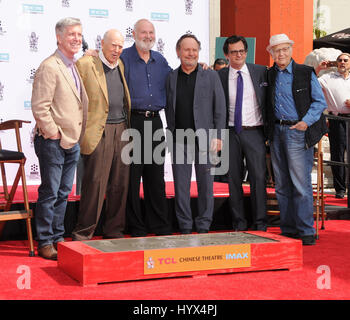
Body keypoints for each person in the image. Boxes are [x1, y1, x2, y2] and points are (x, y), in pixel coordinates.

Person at [31, 17, 88, 259]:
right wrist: (53, 132)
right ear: (59, 37)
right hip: (53, 141)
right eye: (71, 34)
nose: (77, 38)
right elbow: (40, 106)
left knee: (64, 193)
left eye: (79, 34)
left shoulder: (72, 65)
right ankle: (45, 241)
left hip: (71, 141)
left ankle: (57, 237)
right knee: (50, 192)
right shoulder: (50, 66)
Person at [265, 34, 327, 245]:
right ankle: (289, 228)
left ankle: (306, 230)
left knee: (300, 184)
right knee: (281, 184)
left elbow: (319, 103)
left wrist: (305, 123)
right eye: (276, 50)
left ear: (291, 50)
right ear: (271, 54)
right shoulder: (269, 74)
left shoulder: (304, 72)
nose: (281, 54)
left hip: (297, 131)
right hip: (276, 132)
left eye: (284, 49)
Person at [71, 29, 131, 241]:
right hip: (99, 131)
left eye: (120, 46)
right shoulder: (86, 64)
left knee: (119, 184)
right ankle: (83, 233)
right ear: (102, 43)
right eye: (113, 45)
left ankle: (114, 230)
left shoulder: (121, 65)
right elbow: (75, 98)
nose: (117, 50)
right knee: (95, 184)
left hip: (122, 130)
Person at [165, 34, 226, 234]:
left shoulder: (210, 75)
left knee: (206, 185)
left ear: (198, 52)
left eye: (194, 50)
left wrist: (218, 136)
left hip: (206, 140)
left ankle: (203, 225)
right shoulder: (171, 77)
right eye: (186, 49)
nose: (190, 53)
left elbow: (220, 108)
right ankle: (184, 225)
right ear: (178, 52)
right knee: (181, 187)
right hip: (179, 140)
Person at [121, 19, 172, 237]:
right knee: (132, 178)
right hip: (132, 122)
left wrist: (203, 68)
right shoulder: (123, 57)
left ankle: (159, 225)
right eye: (144, 32)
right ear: (134, 33)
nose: (148, 36)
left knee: (155, 177)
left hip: (155, 123)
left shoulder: (160, 60)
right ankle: (136, 226)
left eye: (151, 32)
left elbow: (177, 78)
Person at [218, 35, 268, 231]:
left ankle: (260, 223)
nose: (238, 55)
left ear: (246, 52)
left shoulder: (261, 72)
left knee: (258, 178)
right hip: (230, 133)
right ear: (226, 54)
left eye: (241, 51)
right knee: (233, 179)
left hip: (255, 132)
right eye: (233, 52)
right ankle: (239, 222)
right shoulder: (219, 76)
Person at [317, 53, 350, 199]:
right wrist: (319, 68)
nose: (342, 62)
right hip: (336, 120)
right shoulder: (327, 78)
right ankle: (340, 189)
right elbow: (309, 81)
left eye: (345, 60)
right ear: (336, 63)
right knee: (337, 155)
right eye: (340, 60)